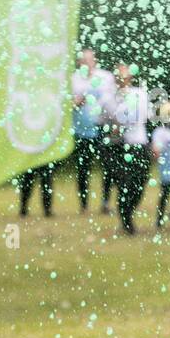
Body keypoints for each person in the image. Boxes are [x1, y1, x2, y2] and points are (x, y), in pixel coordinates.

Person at [106, 63, 151, 236]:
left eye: (124, 77)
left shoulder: (140, 94)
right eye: (118, 77)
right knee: (125, 184)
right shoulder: (110, 98)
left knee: (139, 184)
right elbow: (107, 119)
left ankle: (128, 212)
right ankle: (126, 221)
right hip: (119, 147)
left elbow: (142, 116)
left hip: (138, 144)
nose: (122, 80)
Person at [69, 48, 116, 214]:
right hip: (81, 130)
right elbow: (68, 103)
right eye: (83, 61)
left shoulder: (106, 77)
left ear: (94, 61)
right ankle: (84, 205)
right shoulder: (73, 79)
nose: (87, 64)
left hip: (103, 127)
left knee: (108, 167)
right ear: (78, 63)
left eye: (89, 60)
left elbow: (111, 100)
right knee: (83, 169)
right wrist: (76, 102)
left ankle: (105, 202)